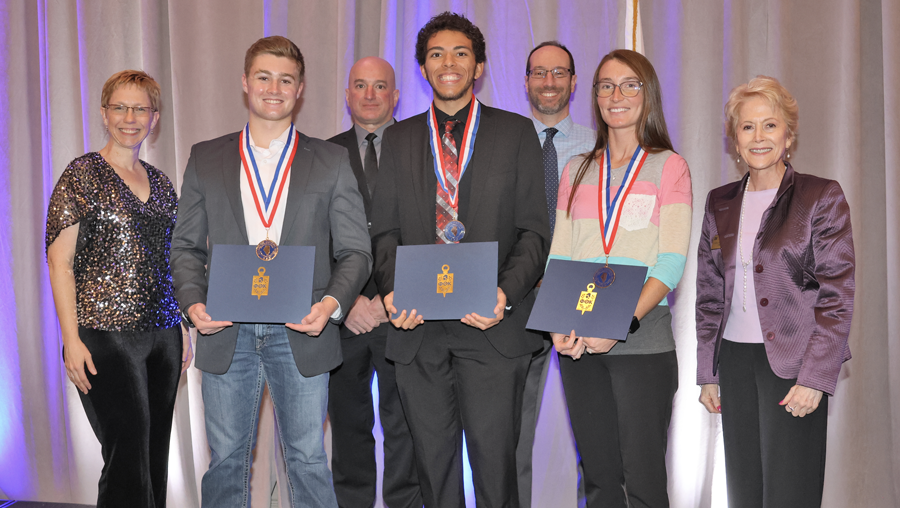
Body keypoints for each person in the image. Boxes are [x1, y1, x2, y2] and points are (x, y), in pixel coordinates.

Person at [171, 36, 371, 508]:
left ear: (300, 89)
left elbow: (357, 251)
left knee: (306, 458)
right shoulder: (207, 156)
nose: (274, 88)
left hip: (303, 328)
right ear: (245, 83)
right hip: (226, 329)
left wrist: (331, 306)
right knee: (225, 460)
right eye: (264, 77)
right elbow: (183, 246)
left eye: (286, 79)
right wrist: (193, 303)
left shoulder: (331, 160)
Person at [369, 12, 550, 507]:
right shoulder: (400, 138)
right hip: (418, 331)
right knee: (433, 471)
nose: (448, 63)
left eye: (460, 53)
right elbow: (384, 233)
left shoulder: (516, 134)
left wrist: (504, 294)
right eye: (435, 54)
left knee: (496, 473)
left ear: (479, 67)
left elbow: (535, 231)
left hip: (490, 328)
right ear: (423, 68)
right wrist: (391, 292)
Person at [696, 76, 854, 508]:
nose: (759, 137)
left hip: (793, 367)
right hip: (734, 362)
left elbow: (837, 296)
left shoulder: (820, 196)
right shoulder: (719, 202)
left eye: (770, 125)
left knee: (790, 494)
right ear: (734, 138)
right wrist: (709, 372)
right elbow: (709, 295)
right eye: (747, 127)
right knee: (744, 492)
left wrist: (815, 378)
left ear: (789, 135)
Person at [549, 49, 693, 508]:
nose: (617, 95)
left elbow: (670, 263)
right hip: (578, 338)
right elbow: (560, 256)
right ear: (594, 96)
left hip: (642, 338)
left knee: (644, 481)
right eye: (606, 85)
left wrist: (618, 324)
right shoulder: (577, 170)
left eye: (630, 84)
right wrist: (557, 325)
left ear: (647, 93)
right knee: (599, 478)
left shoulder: (670, 167)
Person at [46, 70, 191, 507]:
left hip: (163, 337)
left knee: (153, 457)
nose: (130, 117)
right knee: (126, 456)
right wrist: (71, 341)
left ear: (155, 116)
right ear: (105, 114)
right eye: (120, 107)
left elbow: (169, 261)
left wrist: (181, 326)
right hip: (103, 335)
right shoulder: (82, 174)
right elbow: (59, 262)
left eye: (140, 108)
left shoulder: (163, 183)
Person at [326, 57, 421, 508]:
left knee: (406, 429)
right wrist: (349, 302)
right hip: (343, 317)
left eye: (379, 86)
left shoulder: (422, 147)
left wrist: (386, 299)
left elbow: (434, 231)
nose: (369, 94)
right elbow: (311, 236)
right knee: (347, 428)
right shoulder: (321, 154)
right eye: (360, 85)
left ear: (396, 95)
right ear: (347, 95)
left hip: (405, 312)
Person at [519, 40, 595, 508]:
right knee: (510, 436)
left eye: (559, 73)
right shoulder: (504, 142)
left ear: (573, 81)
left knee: (596, 431)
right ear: (526, 80)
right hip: (518, 301)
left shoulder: (599, 144)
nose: (549, 82)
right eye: (539, 73)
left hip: (581, 299)